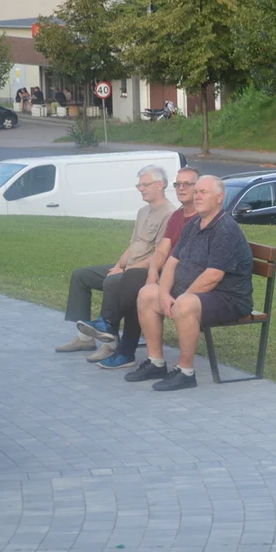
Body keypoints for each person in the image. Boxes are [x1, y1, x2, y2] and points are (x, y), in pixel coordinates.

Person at [127, 176, 254, 392]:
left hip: (229, 297)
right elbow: (172, 263)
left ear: (219, 198)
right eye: (197, 192)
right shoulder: (194, 224)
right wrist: (165, 294)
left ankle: (186, 372)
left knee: (185, 304)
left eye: (204, 192)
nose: (198, 196)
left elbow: (213, 276)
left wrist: (179, 299)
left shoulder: (225, 229)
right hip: (193, 292)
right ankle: (156, 362)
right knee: (148, 293)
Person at [79, 167, 201, 370]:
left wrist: (155, 279)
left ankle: (112, 329)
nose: (181, 188)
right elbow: (162, 252)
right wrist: (152, 276)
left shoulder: (199, 218)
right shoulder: (178, 216)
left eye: (188, 184)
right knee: (140, 286)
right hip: (166, 274)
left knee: (135, 282)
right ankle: (117, 341)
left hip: (186, 282)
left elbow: (186, 260)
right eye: (178, 184)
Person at [55, 166, 175, 355]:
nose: (141, 189)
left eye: (145, 185)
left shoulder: (169, 214)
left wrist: (127, 270)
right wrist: (119, 265)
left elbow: (159, 255)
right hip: (129, 266)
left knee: (112, 281)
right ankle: (85, 339)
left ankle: (109, 342)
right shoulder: (143, 211)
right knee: (81, 276)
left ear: (160, 185)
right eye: (139, 185)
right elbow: (133, 244)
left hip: (144, 272)